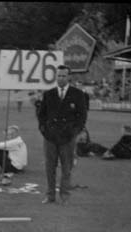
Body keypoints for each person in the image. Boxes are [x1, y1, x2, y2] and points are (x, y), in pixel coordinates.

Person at [37, 65, 87, 205]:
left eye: (64, 76)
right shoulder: (49, 94)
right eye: (59, 76)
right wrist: (44, 130)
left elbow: (82, 116)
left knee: (66, 168)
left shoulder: (78, 94)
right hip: (50, 137)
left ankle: (65, 196)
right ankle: (50, 196)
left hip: (67, 138)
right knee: (50, 168)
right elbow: (41, 115)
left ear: (69, 77)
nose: (61, 78)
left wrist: (74, 132)